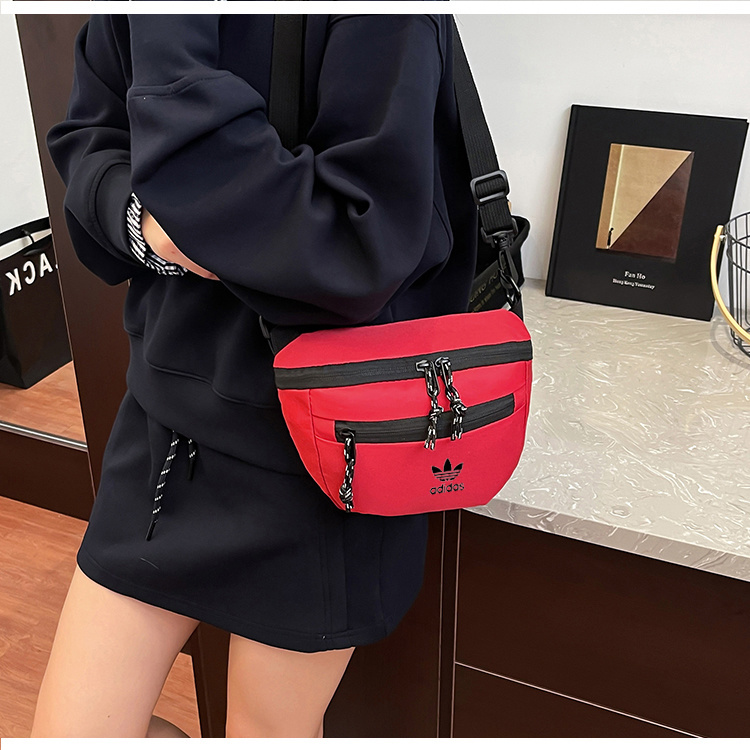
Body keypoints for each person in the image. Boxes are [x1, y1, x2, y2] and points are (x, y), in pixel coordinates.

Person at [34, 13, 478, 738]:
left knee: (266, 732)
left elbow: (352, 247)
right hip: (168, 432)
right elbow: (89, 140)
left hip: (329, 451)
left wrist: (173, 44)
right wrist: (144, 223)